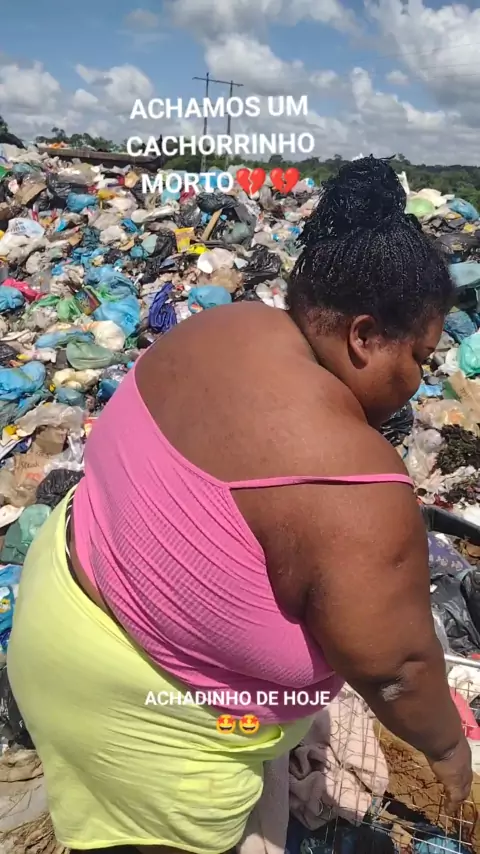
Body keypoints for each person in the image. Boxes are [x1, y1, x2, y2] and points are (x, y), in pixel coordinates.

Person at [8, 156, 472, 854]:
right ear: (363, 336)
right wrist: (448, 750)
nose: (419, 380)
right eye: (421, 358)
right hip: (145, 727)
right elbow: (399, 671)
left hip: (59, 604)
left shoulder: (224, 326)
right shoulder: (354, 486)